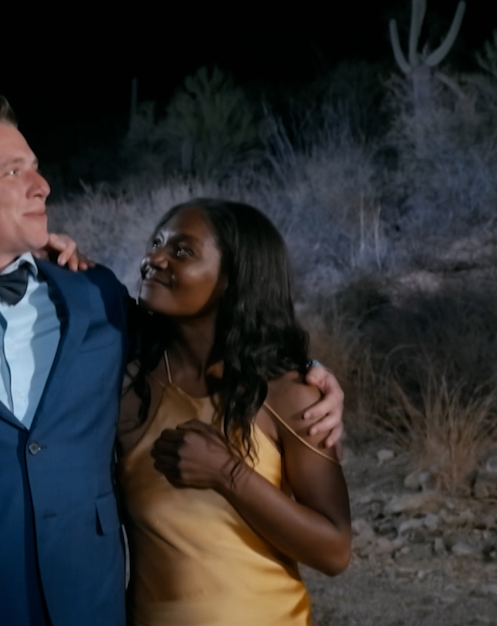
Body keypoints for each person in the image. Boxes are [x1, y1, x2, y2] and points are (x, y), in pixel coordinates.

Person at [0, 94, 345, 626]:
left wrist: (311, 374)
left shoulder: (96, 299)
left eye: (35, 167)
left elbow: (207, 337)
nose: (41, 185)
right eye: (12, 171)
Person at [118, 198, 351, 625]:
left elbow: (334, 551)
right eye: (156, 244)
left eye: (181, 250)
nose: (155, 259)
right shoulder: (128, 390)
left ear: (233, 278)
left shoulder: (288, 395)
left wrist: (229, 474)